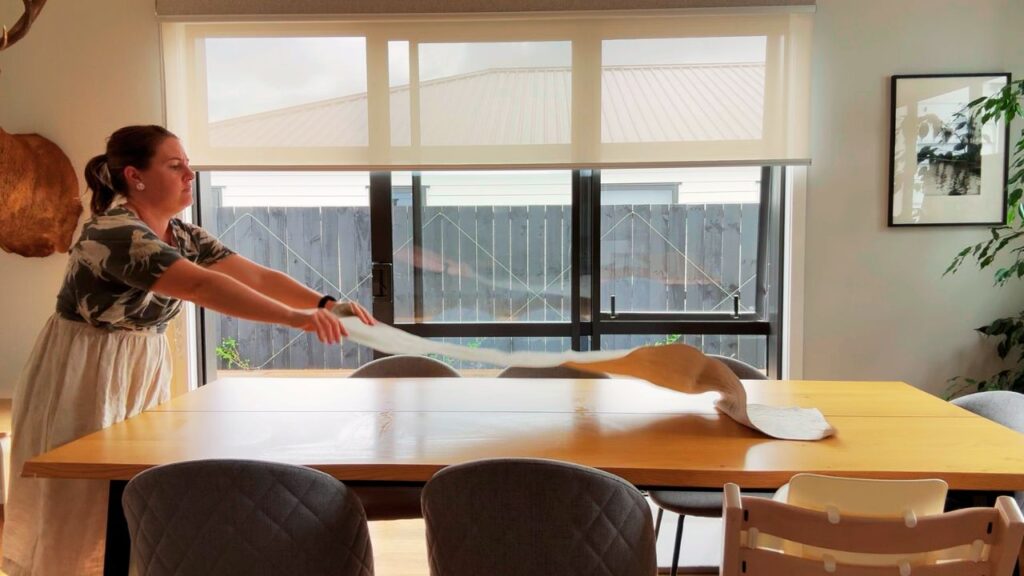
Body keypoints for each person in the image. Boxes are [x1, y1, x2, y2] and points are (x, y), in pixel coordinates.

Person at [0, 125, 375, 576]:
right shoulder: (115, 231)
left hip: (141, 363)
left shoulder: (184, 235)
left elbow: (252, 276)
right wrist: (298, 319)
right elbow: (200, 285)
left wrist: (325, 303)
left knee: (138, 490)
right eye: (175, 165)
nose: (190, 175)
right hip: (86, 369)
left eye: (189, 164)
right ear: (135, 176)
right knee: (83, 500)